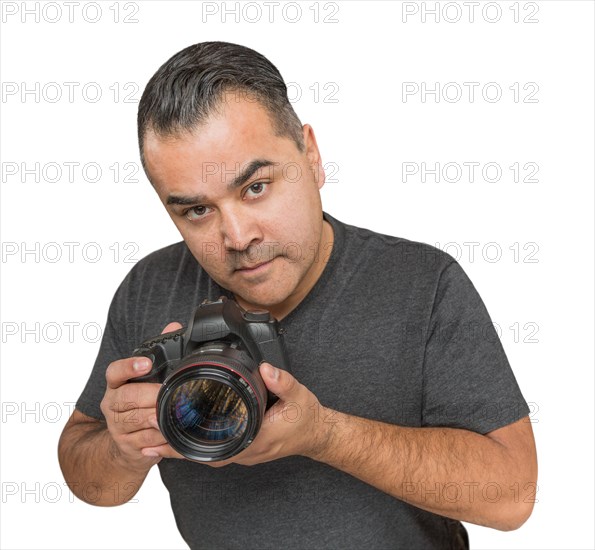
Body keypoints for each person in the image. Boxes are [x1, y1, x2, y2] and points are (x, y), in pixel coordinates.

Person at [58, 41, 537, 549]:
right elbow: (90, 477)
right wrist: (124, 448)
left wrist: (324, 435)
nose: (238, 237)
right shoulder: (150, 286)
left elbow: (511, 497)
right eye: (197, 211)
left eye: (256, 187)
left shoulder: (423, 283)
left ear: (310, 156)